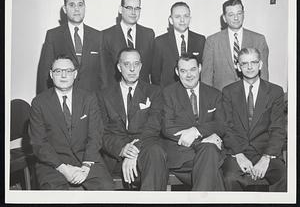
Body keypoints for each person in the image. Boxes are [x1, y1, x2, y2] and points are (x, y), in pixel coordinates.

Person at [29, 55, 113, 190]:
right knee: (54, 194)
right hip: (53, 163)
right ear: (51, 74)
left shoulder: (89, 98)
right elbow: (39, 143)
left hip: (86, 158)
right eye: (58, 71)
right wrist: (63, 169)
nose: (63, 75)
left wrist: (86, 166)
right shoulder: (39, 103)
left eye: (68, 71)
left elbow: (95, 135)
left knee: (106, 188)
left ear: (75, 74)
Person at [98, 48, 168, 191]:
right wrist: (123, 149)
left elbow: (153, 128)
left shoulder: (155, 92)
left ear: (141, 66)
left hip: (146, 152)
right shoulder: (103, 95)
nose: (132, 69)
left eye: (136, 64)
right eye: (126, 64)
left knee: (155, 152)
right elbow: (101, 132)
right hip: (115, 157)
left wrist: (134, 149)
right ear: (119, 67)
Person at [222, 48, 286, 191]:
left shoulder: (275, 91)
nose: (250, 67)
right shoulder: (228, 92)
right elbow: (226, 128)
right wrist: (238, 155)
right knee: (230, 177)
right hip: (237, 151)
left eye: (254, 62)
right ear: (238, 66)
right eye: (244, 63)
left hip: (266, 151)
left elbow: (278, 128)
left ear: (260, 64)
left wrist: (266, 157)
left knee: (283, 176)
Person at [162, 54, 225, 191]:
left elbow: (221, 124)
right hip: (182, 156)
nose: (189, 75)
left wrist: (196, 131)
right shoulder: (167, 93)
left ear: (200, 68)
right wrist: (203, 139)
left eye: (192, 69)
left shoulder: (214, 94)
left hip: (209, 153)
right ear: (177, 72)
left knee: (210, 153)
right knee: (215, 169)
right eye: (183, 71)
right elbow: (168, 127)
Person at [37, 0, 108, 94]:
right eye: (72, 5)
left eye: (80, 5)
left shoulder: (98, 36)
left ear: (84, 7)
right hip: (63, 101)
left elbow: (104, 75)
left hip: (92, 102)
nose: (76, 9)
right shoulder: (53, 36)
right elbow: (44, 75)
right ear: (65, 9)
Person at [201, 0, 269, 91]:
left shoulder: (259, 39)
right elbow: (206, 77)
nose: (236, 18)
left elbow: (263, 74)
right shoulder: (212, 41)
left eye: (239, 13)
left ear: (243, 15)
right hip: (222, 97)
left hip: (250, 96)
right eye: (231, 15)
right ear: (224, 18)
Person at [102, 0, 155, 85]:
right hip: (115, 92)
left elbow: (152, 69)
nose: (133, 12)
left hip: (143, 91)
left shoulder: (149, 34)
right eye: (129, 8)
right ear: (120, 9)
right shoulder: (106, 35)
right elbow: (103, 71)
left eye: (137, 8)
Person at [151, 2, 206, 87]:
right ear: (170, 20)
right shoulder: (160, 42)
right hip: (168, 94)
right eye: (177, 17)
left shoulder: (200, 40)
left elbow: (203, 71)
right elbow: (155, 75)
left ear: (190, 19)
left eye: (186, 16)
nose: (182, 20)